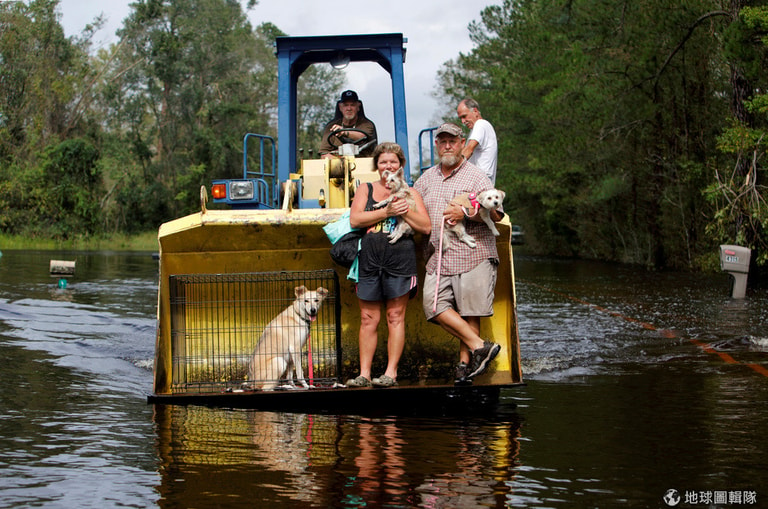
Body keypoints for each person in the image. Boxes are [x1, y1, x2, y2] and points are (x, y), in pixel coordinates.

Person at [413, 122, 503, 385]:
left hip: (473, 254)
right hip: (439, 255)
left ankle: (464, 369)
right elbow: (413, 208)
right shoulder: (425, 178)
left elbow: (496, 214)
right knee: (433, 305)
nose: (447, 145)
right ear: (437, 146)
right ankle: (480, 346)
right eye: (442, 141)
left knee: (469, 311)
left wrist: (464, 212)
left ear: (462, 143)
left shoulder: (476, 176)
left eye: (452, 140)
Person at [345, 142, 431, 387]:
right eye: (383, 162)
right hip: (370, 261)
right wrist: (386, 211)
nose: (388, 166)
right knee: (367, 318)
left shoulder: (411, 193)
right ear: (376, 166)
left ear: (401, 166)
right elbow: (355, 219)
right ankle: (364, 374)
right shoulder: (366, 189)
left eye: (393, 162)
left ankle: (390, 374)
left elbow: (425, 227)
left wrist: (403, 211)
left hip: (400, 260)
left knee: (395, 316)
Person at [319, 90, 378, 158]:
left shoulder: (367, 124)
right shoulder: (331, 127)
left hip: (364, 164)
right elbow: (324, 154)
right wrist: (341, 162)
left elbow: (363, 137)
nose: (349, 108)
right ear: (340, 107)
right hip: (337, 166)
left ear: (358, 107)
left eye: (352, 105)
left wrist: (344, 132)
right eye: (346, 105)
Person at [457, 98, 498, 184]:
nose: (463, 121)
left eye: (464, 116)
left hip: (480, 183)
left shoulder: (480, 124)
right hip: (480, 181)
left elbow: (469, 150)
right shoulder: (480, 128)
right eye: (461, 118)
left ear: (475, 111)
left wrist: (451, 169)